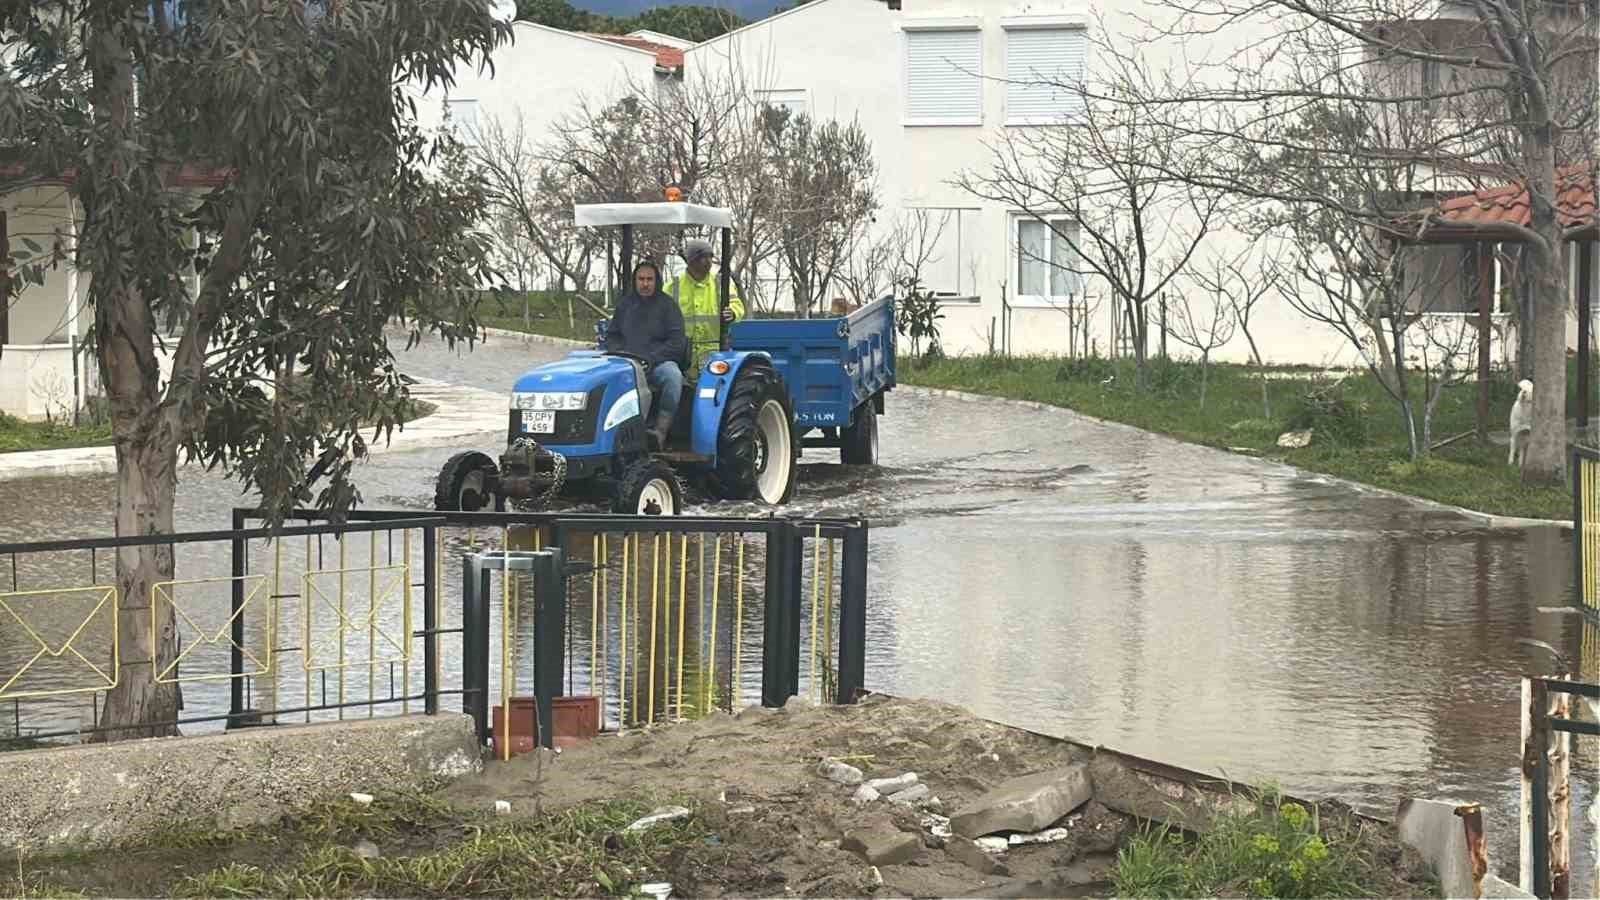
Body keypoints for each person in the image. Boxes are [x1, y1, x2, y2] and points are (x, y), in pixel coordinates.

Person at [604, 259, 687, 448]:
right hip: (627, 363)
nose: (645, 283)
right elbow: (612, 336)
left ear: (656, 281)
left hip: (658, 364)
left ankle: (660, 432)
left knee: (673, 376)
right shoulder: (625, 306)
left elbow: (677, 342)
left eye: (649, 279)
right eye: (641, 279)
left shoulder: (668, 307)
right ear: (635, 281)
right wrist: (620, 354)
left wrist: (652, 358)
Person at [667, 237, 746, 365]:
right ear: (691, 260)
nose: (708, 261)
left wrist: (733, 313)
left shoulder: (721, 282)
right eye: (703, 257)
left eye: (710, 256)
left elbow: (736, 305)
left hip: (716, 354)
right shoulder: (673, 285)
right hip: (682, 356)